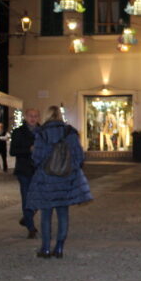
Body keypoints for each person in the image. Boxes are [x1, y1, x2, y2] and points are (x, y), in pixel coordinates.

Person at [26, 106, 92, 259]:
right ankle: (60, 247)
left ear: (47, 116)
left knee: (46, 215)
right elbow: (79, 156)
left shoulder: (42, 133)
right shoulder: (70, 132)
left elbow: (37, 158)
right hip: (66, 179)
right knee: (63, 213)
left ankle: (46, 248)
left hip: (46, 179)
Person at [10, 109, 40, 239]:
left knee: (39, 197)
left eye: (35, 116)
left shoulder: (42, 132)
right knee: (26, 197)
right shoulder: (18, 132)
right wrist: (28, 150)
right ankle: (31, 227)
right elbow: (13, 151)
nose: (33, 118)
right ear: (26, 117)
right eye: (30, 116)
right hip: (24, 170)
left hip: (39, 170)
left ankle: (27, 217)